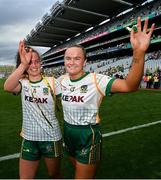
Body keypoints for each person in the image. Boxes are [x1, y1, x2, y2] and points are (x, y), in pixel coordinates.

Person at [59, 17, 155, 179]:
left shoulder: (97, 80)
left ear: (85, 61)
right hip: (67, 131)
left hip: (87, 134)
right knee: (77, 169)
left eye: (77, 58)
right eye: (68, 58)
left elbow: (129, 86)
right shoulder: (61, 80)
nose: (71, 62)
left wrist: (139, 52)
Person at [4, 41, 63, 179]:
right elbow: (7, 87)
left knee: (54, 175)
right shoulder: (23, 83)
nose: (34, 65)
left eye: (37, 61)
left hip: (51, 138)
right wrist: (23, 65)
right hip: (29, 139)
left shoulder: (52, 82)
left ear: (41, 62)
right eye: (30, 62)